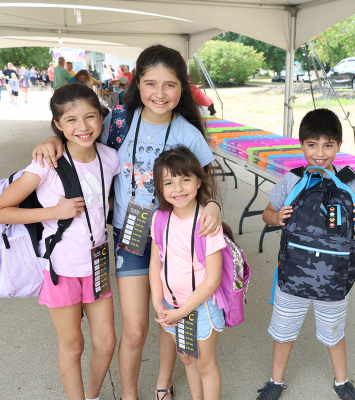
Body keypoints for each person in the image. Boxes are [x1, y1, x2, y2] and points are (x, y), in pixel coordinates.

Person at [32, 44, 223, 400]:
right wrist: (53, 139)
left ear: (182, 88)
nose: (160, 93)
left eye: (170, 85)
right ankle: (130, 395)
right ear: (138, 84)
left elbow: (205, 184)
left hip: (175, 239)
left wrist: (212, 205)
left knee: (171, 319)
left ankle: (163, 384)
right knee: (134, 330)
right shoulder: (119, 121)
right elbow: (82, 139)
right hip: (128, 237)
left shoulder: (188, 133)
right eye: (151, 83)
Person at [0, 84, 120, 400]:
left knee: (107, 342)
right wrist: (54, 211)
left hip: (97, 265)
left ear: (101, 117)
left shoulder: (110, 158)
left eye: (90, 117)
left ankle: (93, 396)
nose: (82, 127)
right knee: (73, 344)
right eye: (71, 120)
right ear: (57, 125)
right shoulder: (46, 163)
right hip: (61, 269)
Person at [257, 108, 355, 400]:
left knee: (334, 333)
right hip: (292, 273)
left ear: (339, 145)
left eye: (328, 145)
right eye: (312, 145)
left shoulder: (349, 180)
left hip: (334, 277)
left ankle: (342, 382)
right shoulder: (293, 179)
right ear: (301, 145)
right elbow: (267, 213)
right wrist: (276, 217)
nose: (319, 153)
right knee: (283, 332)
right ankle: (275, 382)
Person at [150, 145, 226, 400]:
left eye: (185, 179)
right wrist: (156, 300)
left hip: (200, 309)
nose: (178, 188)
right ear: (160, 188)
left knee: (205, 364)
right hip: (171, 306)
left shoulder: (207, 222)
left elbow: (213, 279)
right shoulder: (160, 218)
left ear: (198, 181)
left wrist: (182, 312)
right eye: (169, 182)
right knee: (188, 360)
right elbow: (155, 263)